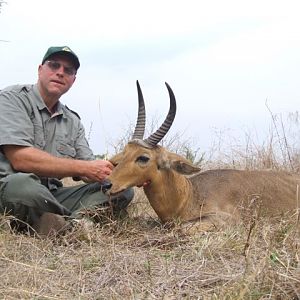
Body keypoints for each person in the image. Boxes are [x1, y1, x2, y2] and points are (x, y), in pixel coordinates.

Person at [0, 46, 134, 237]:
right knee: (23, 186)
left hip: (51, 195)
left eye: (68, 70)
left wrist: (129, 171)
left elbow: (91, 170)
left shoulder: (73, 121)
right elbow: (21, 159)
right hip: (10, 187)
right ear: (40, 69)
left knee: (122, 191)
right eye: (54, 65)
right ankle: (74, 221)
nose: (60, 72)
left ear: (73, 80)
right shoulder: (12, 99)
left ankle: (66, 224)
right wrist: (83, 168)